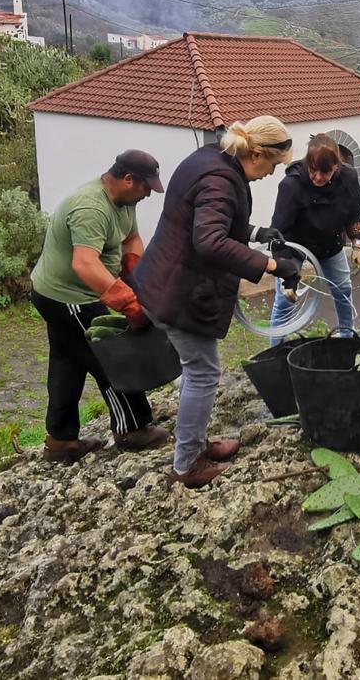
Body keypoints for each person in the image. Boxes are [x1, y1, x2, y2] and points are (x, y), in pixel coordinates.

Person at [132, 116, 299, 488]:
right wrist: (273, 265)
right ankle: (186, 465)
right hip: (179, 292)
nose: (271, 173)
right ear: (256, 153)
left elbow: (210, 219)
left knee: (198, 372)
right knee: (203, 373)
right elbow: (209, 240)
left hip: (166, 281)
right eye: (272, 164)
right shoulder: (220, 178)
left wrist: (255, 232)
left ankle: (195, 444)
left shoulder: (212, 157)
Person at [29, 149, 170, 463]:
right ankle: (132, 430)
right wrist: (130, 304)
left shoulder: (124, 201)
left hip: (60, 293)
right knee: (112, 358)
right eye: (146, 186)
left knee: (68, 362)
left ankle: (60, 441)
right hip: (69, 298)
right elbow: (85, 265)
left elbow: (131, 238)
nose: (148, 193)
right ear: (127, 178)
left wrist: (136, 273)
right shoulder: (91, 207)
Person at [268, 133, 360, 344]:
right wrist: (286, 274)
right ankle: (274, 352)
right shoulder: (290, 186)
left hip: (330, 242)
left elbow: (355, 209)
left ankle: (346, 337)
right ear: (307, 164)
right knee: (285, 300)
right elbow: (279, 232)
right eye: (313, 171)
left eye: (326, 172)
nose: (319, 177)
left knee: (343, 289)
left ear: (336, 167)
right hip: (293, 246)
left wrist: (357, 243)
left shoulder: (348, 177)